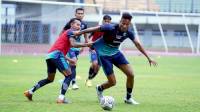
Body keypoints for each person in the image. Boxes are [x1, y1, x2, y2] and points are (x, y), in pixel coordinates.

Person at [74, 13, 157, 104]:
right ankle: (99, 88)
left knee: (131, 74)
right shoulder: (110, 27)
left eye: (127, 24)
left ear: (129, 24)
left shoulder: (128, 32)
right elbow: (95, 28)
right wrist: (80, 32)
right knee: (113, 82)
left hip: (116, 53)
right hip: (104, 56)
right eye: (123, 23)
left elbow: (137, 44)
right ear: (120, 21)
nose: (124, 26)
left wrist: (148, 58)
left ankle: (128, 98)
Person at [24, 18, 92, 104]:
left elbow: (65, 48)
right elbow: (73, 44)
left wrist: (69, 59)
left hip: (50, 56)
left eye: (80, 25)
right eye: (77, 24)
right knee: (69, 76)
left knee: (49, 79)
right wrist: (87, 44)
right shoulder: (70, 32)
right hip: (57, 55)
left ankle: (29, 92)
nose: (79, 26)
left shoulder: (68, 35)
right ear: (71, 25)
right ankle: (61, 98)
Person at [61, 8, 88, 90]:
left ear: (83, 15)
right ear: (75, 14)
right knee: (74, 62)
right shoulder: (71, 23)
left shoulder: (84, 25)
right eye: (78, 13)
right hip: (70, 46)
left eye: (81, 13)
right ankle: (74, 83)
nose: (80, 15)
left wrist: (84, 46)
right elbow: (63, 32)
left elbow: (85, 35)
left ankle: (67, 80)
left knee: (72, 65)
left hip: (77, 47)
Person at [85, 15, 112, 87]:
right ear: (103, 21)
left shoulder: (111, 31)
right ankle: (89, 80)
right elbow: (89, 36)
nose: (106, 23)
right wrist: (89, 43)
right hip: (94, 48)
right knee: (94, 63)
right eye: (105, 21)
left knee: (97, 69)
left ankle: (89, 79)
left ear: (110, 22)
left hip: (102, 51)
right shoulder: (98, 28)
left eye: (108, 21)